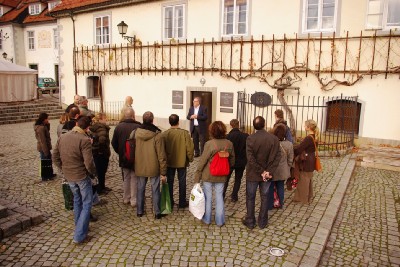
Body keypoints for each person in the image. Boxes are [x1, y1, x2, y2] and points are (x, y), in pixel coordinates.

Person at [53, 116, 97, 244]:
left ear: (77, 124)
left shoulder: (63, 136)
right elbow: (89, 163)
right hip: (81, 176)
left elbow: (54, 156)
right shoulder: (84, 140)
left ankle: (80, 227)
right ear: (87, 127)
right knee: (87, 203)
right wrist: (93, 173)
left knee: (77, 201)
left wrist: (63, 169)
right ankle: (79, 236)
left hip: (69, 175)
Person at [242, 116, 281, 230]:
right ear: (264, 124)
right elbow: (277, 157)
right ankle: (262, 222)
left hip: (255, 174)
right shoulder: (273, 139)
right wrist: (267, 171)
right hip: (265, 174)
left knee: (251, 197)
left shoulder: (251, 139)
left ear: (254, 126)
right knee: (264, 197)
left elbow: (250, 158)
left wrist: (264, 171)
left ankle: (250, 221)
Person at [194, 121, 235, 227]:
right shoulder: (229, 144)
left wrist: (197, 177)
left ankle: (207, 219)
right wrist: (227, 167)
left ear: (212, 131)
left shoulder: (209, 144)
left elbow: (203, 161)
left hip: (208, 175)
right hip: (222, 175)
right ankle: (220, 221)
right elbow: (232, 160)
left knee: (208, 197)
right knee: (219, 197)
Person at [135, 111, 167, 219]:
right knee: (155, 189)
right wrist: (163, 171)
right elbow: (161, 155)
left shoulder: (136, 133)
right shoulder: (157, 135)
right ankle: (157, 212)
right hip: (153, 166)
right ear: (152, 120)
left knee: (140, 188)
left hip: (140, 165)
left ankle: (139, 211)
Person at [162, 114, 194, 209]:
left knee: (170, 182)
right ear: (178, 122)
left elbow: (161, 149)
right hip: (181, 161)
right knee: (182, 181)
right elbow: (190, 148)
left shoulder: (165, 134)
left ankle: (170, 202)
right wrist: (190, 158)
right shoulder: (184, 133)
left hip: (169, 162)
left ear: (169, 122)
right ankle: (182, 202)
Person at [111, 108, 142, 207]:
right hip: (135, 157)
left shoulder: (119, 127)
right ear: (133, 115)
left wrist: (120, 152)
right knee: (134, 177)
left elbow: (114, 143)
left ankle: (126, 198)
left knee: (126, 177)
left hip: (123, 157)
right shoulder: (138, 126)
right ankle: (134, 200)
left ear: (124, 116)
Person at [268, 124, 294, 210]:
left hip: (272, 169)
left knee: (271, 186)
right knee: (280, 186)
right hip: (283, 169)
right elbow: (291, 158)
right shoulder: (289, 144)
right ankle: (281, 204)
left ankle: (270, 203)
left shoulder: (271, 142)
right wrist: (288, 167)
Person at [293, 119, 319, 204]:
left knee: (304, 179)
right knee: (308, 178)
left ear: (308, 127)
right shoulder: (315, 136)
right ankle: (308, 195)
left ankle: (302, 198)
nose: (304, 127)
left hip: (306, 160)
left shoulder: (308, 138)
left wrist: (294, 150)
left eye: (305, 125)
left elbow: (300, 148)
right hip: (311, 158)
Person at [223, 119, 248, 202]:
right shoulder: (245, 136)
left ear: (231, 125)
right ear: (238, 125)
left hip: (229, 161)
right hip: (241, 161)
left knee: (226, 179)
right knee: (238, 179)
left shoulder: (228, 136)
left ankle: (222, 194)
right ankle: (234, 196)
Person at [89, 112, 111, 195]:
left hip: (96, 153)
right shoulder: (101, 128)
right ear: (101, 119)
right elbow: (102, 141)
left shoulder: (94, 127)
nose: (106, 120)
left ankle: (101, 187)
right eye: (105, 118)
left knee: (99, 171)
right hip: (101, 153)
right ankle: (100, 188)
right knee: (101, 171)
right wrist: (102, 151)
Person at [34, 112, 55, 181]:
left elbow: (47, 131)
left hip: (45, 147)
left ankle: (50, 174)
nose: (48, 120)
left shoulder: (43, 126)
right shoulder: (40, 128)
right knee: (44, 161)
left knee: (48, 160)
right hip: (43, 147)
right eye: (47, 119)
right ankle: (45, 176)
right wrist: (46, 151)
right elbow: (42, 141)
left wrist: (47, 124)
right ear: (44, 119)